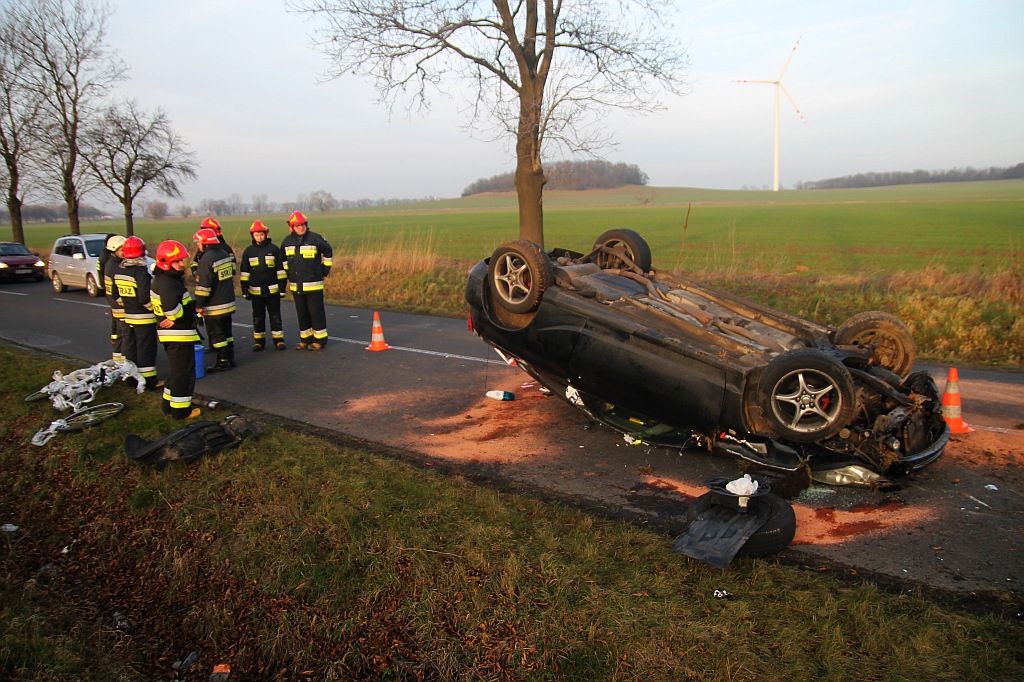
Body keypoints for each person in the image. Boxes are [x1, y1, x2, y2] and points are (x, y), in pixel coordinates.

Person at [150, 240, 202, 420]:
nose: (182, 264)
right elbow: (173, 309)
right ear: (166, 262)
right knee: (183, 374)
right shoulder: (168, 283)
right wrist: (176, 316)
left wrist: (190, 307)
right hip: (178, 335)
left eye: (182, 260)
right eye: (177, 261)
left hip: (174, 335)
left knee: (176, 371)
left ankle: (168, 405)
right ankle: (181, 411)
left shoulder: (164, 279)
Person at [280, 210, 333, 349]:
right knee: (302, 314)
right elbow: (283, 260)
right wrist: (289, 274)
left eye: (303, 225)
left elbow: (328, 251)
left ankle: (319, 340)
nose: (301, 227)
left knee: (316, 313)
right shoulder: (287, 241)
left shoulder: (315, 238)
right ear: (292, 227)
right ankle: (305, 339)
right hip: (296, 285)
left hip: (313, 284)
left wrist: (324, 270)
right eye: (298, 225)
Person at [114, 236, 160, 389]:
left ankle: (130, 378)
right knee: (146, 348)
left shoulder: (120, 270)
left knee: (130, 347)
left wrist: (128, 303)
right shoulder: (140, 272)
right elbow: (144, 297)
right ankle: (149, 381)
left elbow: (116, 294)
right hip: (144, 318)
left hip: (128, 316)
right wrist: (154, 310)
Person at [192, 226, 237, 372]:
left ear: (204, 243)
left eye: (198, 243)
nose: (197, 245)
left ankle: (222, 361)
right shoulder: (224, 254)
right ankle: (231, 358)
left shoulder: (206, 259)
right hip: (228, 303)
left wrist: (198, 306)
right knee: (227, 333)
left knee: (216, 335)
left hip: (214, 306)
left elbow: (204, 287)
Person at [239, 220, 287, 351]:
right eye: (256, 235)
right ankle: (259, 341)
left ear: (266, 234)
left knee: (275, 315)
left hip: (273, 291)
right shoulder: (248, 251)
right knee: (258, 317)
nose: (259, 237)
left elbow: (281, 270)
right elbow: (244, 272)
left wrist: (282, 288)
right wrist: (244, 289)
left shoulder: (274, 249)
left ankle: (278, 340)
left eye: (261, 234)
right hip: (256, 291)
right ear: (252, 236)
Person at [100, 235, 127, 361]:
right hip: (120, 306)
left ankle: (118, 360)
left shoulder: (111, 263)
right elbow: (116, 290)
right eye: (122, 250)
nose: (125, 252)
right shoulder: (114, 266)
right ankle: (121, 361)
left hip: (116, 306)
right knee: (124, 335)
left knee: (120, 334)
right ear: (114, 250)